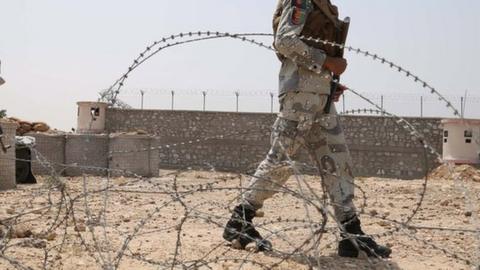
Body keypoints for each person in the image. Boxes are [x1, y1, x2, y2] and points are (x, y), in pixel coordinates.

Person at [223, 0, 392, 258]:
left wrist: (329, 83)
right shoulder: (302, 1)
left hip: (319, 97)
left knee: (339, 163)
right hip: (300, 95)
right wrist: (327, 62)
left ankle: (351, 233)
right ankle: (240, 221)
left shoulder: (325, 6)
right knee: (281, 161)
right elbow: (285, 40)